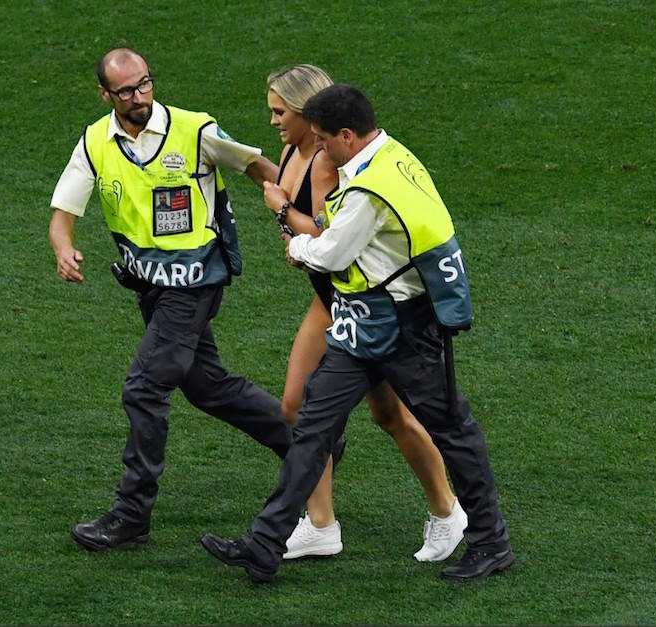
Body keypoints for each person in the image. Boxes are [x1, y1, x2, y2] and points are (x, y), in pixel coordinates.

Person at [201, 84, 514, 582]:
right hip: (363, 323)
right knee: (310, 427)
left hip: (403, 328)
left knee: (452, 429)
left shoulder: (370, 189)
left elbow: (331, 253)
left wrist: (290, 233)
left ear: (347, 135)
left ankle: (491, 542)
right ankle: (264, 545)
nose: (320, 149)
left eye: (324, 140)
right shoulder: (391, 157)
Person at [49, 46, 297, 552]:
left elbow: (255, 165)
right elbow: (64, 208)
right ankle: (311, 446)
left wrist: (296, 212)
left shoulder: (195, 130)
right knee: (207, 386)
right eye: (126, 90)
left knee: (144, 389)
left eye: (145, 84)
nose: (139, 96)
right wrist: (63, 247)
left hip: (195, 283)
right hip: (152, 289)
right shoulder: (96, 141)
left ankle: (130, 515)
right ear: (105, 94)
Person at [262, 64, 466, 562]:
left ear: (313, 118)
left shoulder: (333, 163)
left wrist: (283, 214)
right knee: (299, 408)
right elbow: (276, 181)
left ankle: (448, 510)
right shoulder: (294, 149)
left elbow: (334, 239)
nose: (273, 121)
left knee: (389, 414)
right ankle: (321, 523)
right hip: (327, 297)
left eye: (280, 112)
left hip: (359, 300)